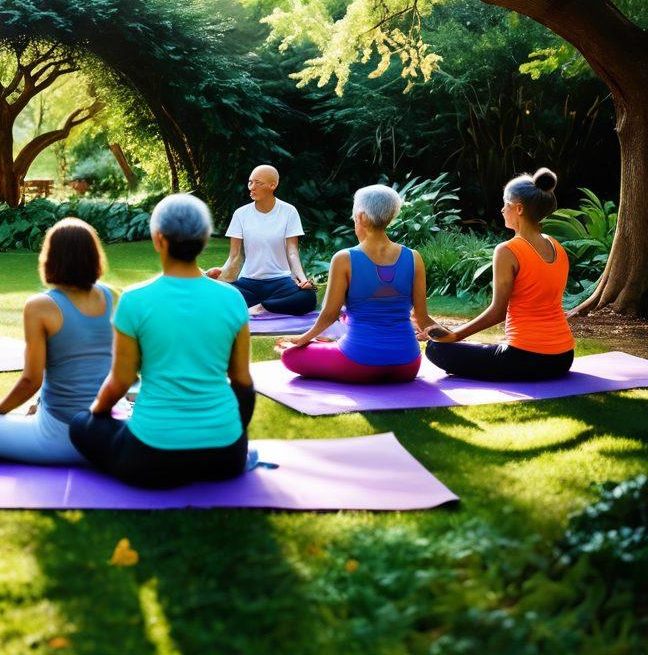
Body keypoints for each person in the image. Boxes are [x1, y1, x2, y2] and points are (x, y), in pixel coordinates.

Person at [68, 194, 255, 489]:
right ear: (204, 239)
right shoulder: (232, 298)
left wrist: (96, 415)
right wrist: (235, 435)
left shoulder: (135, 299)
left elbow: (121, 379)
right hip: (225, 457)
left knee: (79, 424)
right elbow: (243, 381)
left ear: (158, 239)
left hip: (152, 457)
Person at [0, 218, 113, 465]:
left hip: (59, 436)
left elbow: (32, 379)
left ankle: (38, 418)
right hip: (101, 431)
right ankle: (38, 411)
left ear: (51, 257)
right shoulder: (109, 295)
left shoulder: (40, 306)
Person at [423, 168, 575, 380]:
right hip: (563, 357)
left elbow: (498, 312)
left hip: (526, 359)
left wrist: (455, 335)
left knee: (435, 348)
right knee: (474, 349)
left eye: (506, 204)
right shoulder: (556, 246)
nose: (502, 210)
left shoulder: (507, 250)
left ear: (519, 209)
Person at [277, 185, 435, 383]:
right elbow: (422, 318)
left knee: (290, 356)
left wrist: (302, 339)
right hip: (407, 364)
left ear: (361, 217)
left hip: (359, 363)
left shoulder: (344, 258)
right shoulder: (413, 257)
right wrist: (452, 335)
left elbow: (329, 314)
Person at [206, 164, 317, 315]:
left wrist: (303, 280)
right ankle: (269, 305)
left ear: (273, 185)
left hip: (280, 282)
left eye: (258, 183)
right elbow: (234, 256)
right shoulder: (241, 214)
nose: (252, 187)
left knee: (308, 298)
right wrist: (221, 274)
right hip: (248, 283)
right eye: (250, 182)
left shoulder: (289, 212)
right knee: (214, 296)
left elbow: (292, 252)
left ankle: (262, 308)